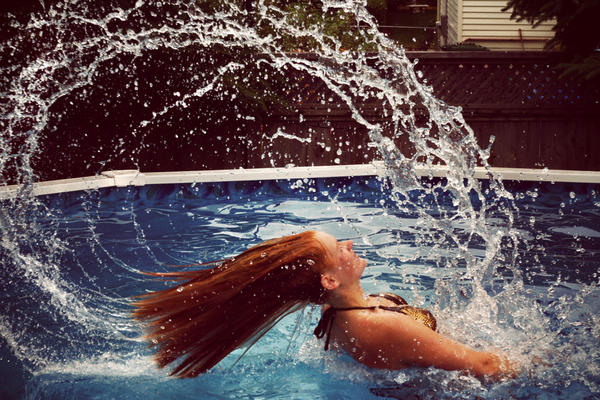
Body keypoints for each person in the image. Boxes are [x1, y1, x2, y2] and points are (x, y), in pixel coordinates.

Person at [132, 231, 516, 379]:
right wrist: (541, 363)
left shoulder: (339, 312)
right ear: (329, 281)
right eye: (338, 248)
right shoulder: (379, 325)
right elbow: (483, 366)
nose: (349, 244)